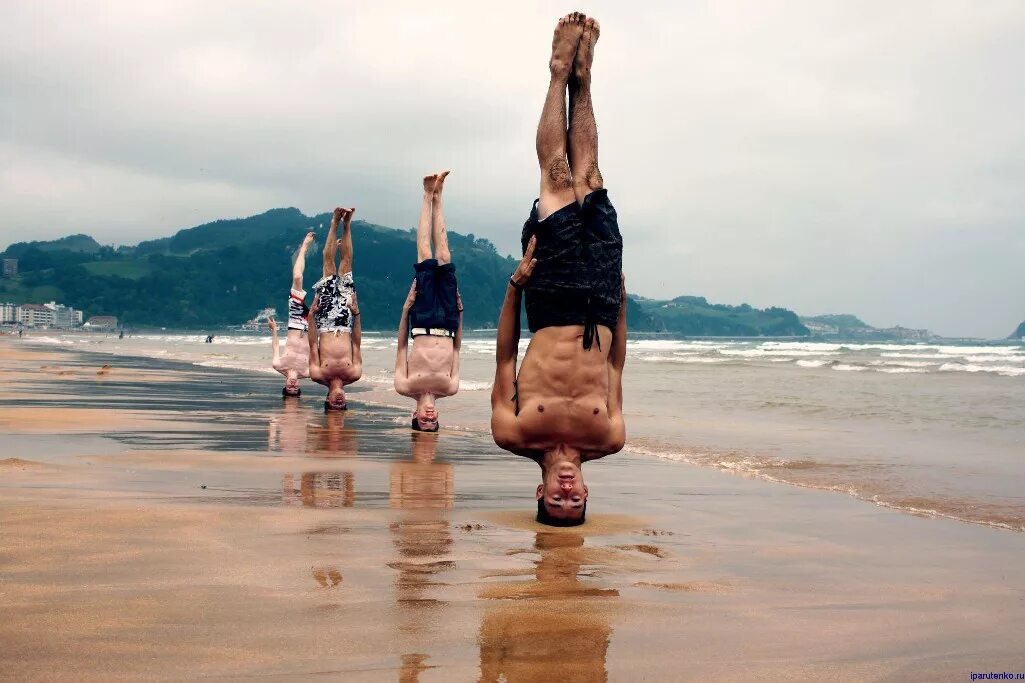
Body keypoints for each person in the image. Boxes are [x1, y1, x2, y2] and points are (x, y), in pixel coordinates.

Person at [490, 13, 626, 526]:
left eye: (556, 501)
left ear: (539, 493)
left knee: (557, 177)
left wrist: (513, 288)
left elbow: (505, 360)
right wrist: (619, 303)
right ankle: (584, 82)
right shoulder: (608, 438)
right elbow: (615, 367)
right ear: (588, 494)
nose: (566, 493)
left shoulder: (514, 433)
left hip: (547, 303)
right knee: (590, 175)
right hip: (599, 297)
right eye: (574, 502)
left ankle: (556, 73)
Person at [394, 171, 463, 431]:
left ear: (415, 415)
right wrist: (460, 313)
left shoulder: (405, 386)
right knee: (444, 255)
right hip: (448, 320)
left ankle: (426, 196)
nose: (430, 416)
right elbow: (457, 349)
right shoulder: (451, 388)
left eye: (424, 420)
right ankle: (440, 195)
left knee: (425, 254)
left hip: (421, 320)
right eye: (433, 421)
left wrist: (405, 308)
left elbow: (401, 347)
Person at [308, 207, 362, 410]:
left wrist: (311, 315)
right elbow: (356, 343)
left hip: (325, 322)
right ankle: (347, 223)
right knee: (346, 265)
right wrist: (356, 313)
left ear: (327, 400)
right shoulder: (354, 374)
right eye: (343, 405)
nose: (340, 402)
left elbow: (313, 344)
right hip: (347, 321)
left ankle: (334, 222)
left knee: (328, 265)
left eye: (334, 405)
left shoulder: (318, 374)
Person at [269, 231, 315, 397]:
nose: (293, 386)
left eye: (290, 389)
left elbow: (275, 346)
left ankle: (303, 248)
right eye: (295, 389)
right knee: (327, 291)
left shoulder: (278, 365)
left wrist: (273, 329)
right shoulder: (309, 372)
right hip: (313, 326)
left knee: (297, 278)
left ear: (285, 385)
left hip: (296, 321)